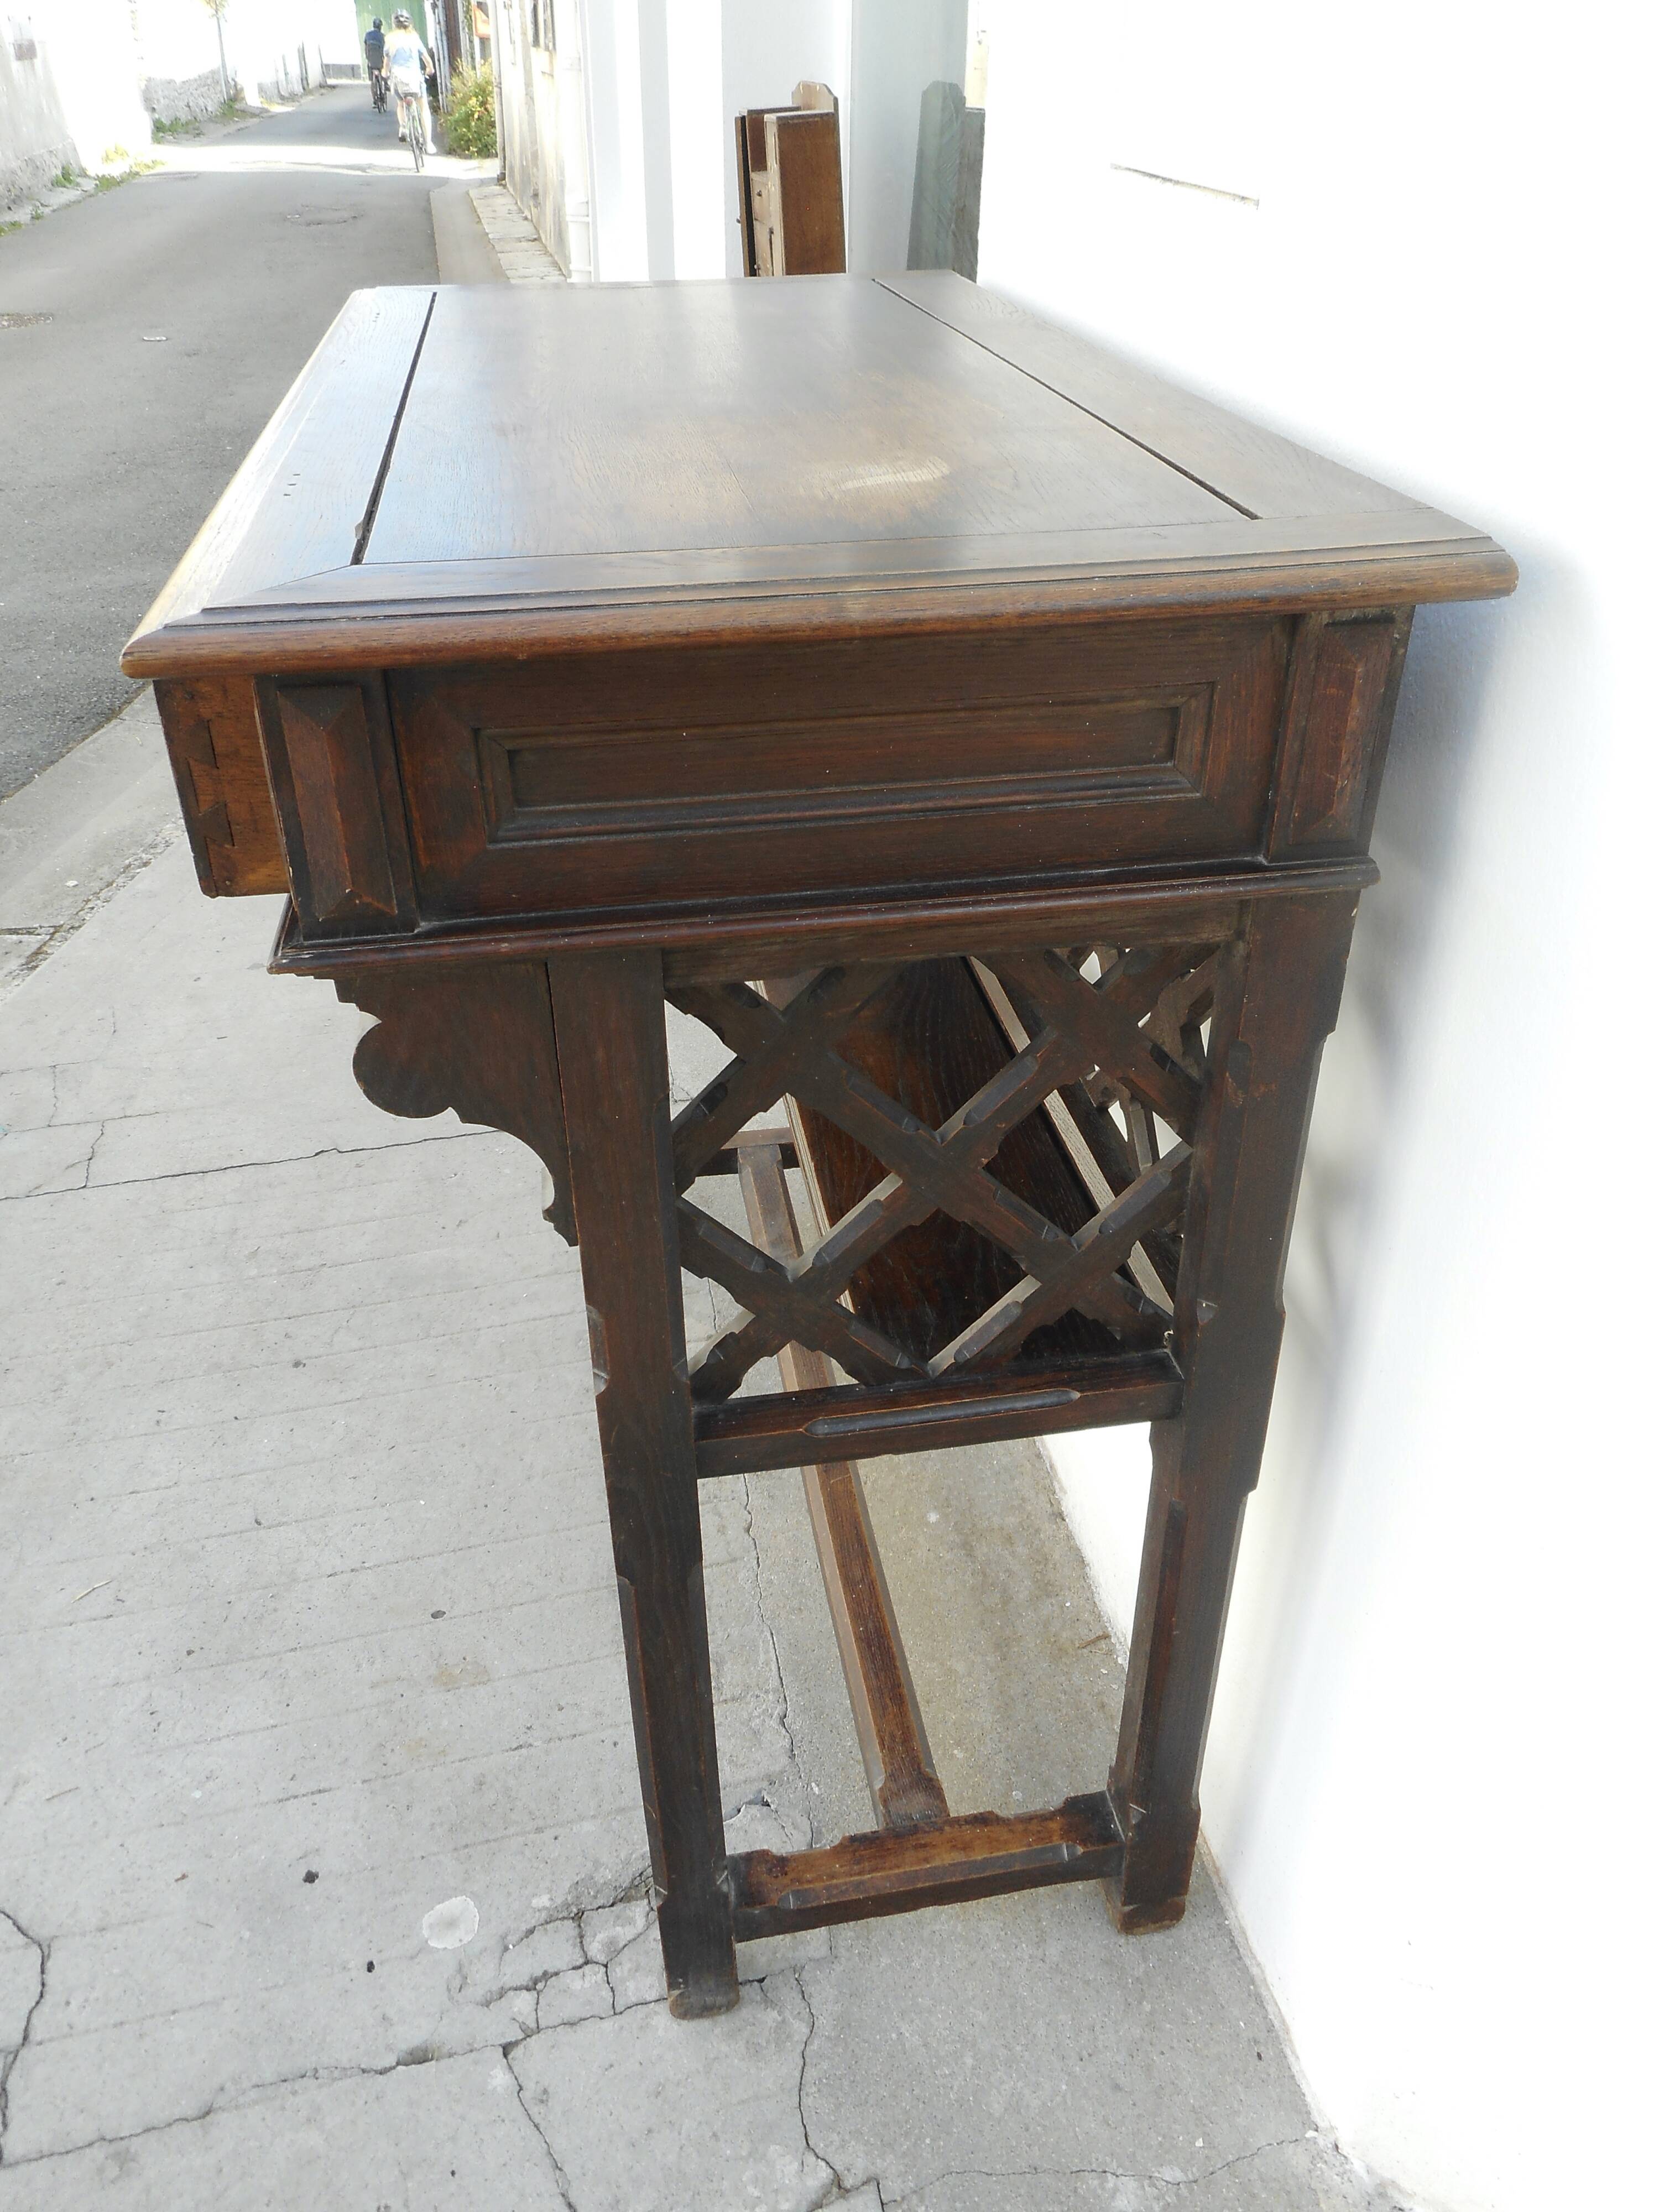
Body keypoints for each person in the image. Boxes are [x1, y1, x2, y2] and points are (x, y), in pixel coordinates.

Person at [383, 10, 433, 144]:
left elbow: (386, 64)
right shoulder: (414, 39)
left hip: (398, 79)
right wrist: (430, 69)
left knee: (401, 104)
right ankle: (429, 143)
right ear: (410, 24)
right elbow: (427, 59)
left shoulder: (390, 40)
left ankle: (404, 126)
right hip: (415, 77)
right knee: (423, 106)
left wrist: (385, 73)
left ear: (394, 25)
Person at [363, 17, 385, 103]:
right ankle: (384, 85)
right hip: (380, 61)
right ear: (380, 27)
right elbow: (385, 50)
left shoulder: (367, 35)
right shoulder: (382, 36)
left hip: (371, 61)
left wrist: (368, 58)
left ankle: (374, 100)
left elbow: (366, 47)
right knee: (383, 74)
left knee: (372, 81)